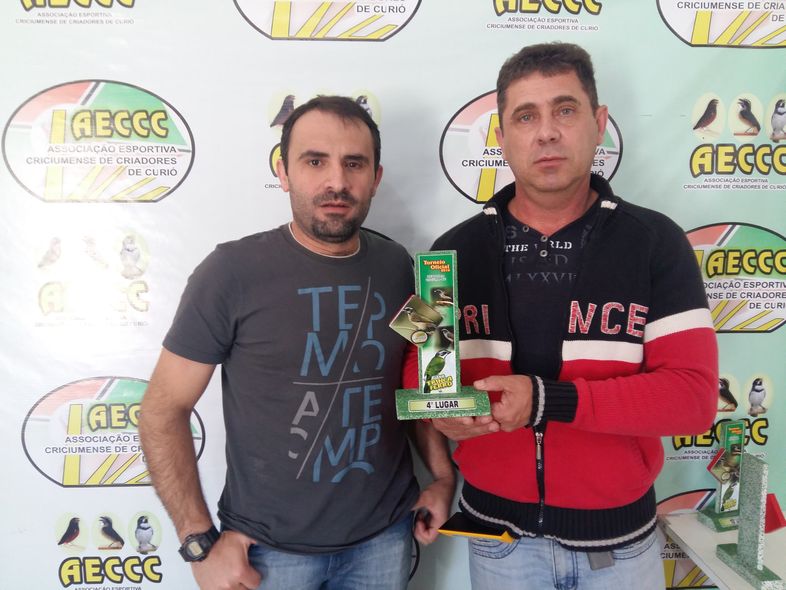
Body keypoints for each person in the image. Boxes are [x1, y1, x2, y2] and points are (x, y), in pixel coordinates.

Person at [409, 43, 718, 589]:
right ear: (502, 136)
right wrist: (441, 412)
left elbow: (692, 399)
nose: (547, 133)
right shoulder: (448, 252)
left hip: (618, 550)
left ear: (599, 124)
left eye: (565, 110)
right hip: (497, 544)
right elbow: (420, 372)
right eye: (526, 116)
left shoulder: (656, 243)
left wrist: (546, 400)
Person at [139, 95, 454, 590]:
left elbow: (424, 382)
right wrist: (198, 542)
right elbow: (162, 410)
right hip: (267, 553)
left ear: (375, 177)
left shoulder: (400, 266)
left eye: (354, 164)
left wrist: (442, 476)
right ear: (283, 172)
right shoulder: (229, 273)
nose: (336, 182)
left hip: (386, 538)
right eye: (315, 161)